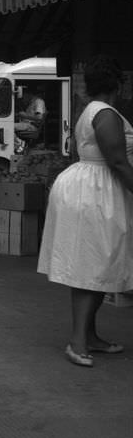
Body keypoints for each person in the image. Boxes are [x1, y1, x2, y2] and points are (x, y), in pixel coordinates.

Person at [37, 55, 133, 368]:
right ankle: (78, 342)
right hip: (97, 192)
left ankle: (89, 336)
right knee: (95, 267)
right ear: (118, 85)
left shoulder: (88, 110)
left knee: (90, 264)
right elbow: (118, 161)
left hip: (87, 187)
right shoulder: (106, 114)